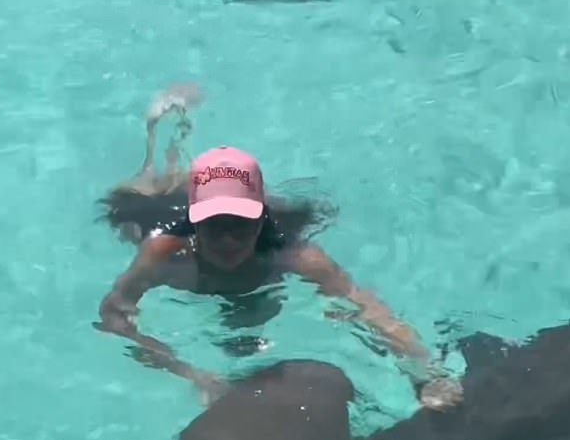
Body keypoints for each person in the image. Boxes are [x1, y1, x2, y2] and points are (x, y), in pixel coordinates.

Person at [97, 105, 461, 410]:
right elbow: (115, 319)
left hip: (262, 241)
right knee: (134, 193)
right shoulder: (163, 252)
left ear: (261, 219)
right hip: (158, 213)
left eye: (240, 224)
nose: (226, 239)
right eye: (213, 225)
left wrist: (425, 372)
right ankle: (162, 131)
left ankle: (187, 148)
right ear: (194, 223)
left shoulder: (294, 255)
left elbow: (367, 309)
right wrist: (193, 375)